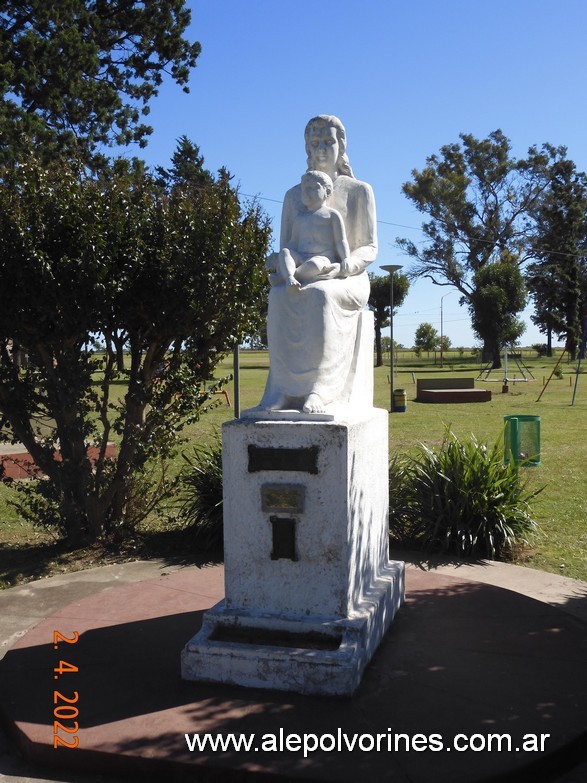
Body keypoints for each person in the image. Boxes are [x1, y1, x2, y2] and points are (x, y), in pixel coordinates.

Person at [260, 114, 377, 415]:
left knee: (321, 295)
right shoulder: (293, 196)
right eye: (315, 143)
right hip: (302, 272)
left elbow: (369, 247)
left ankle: (321, 390)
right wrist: (282, 265)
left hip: (346, 277)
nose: (321, 149)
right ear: (307, 148)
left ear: (341, 145)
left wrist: (345, 267)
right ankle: (284, 390)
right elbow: (287, 245)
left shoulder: (359, 190)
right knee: (278, 296)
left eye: (328, 141)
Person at [273, 170, 350, 288]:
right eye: (304, 188)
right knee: (285, 252)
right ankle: (290, 278)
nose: (306, 192)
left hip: (323, 258)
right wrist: (282, 258)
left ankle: (287, 276)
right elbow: (293, 242)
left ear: (327, 191)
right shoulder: (300, 218)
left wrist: (345, 258)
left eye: (312, 188)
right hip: (301, 257)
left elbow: (341, 241)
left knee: (314, 265)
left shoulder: (332, 215)